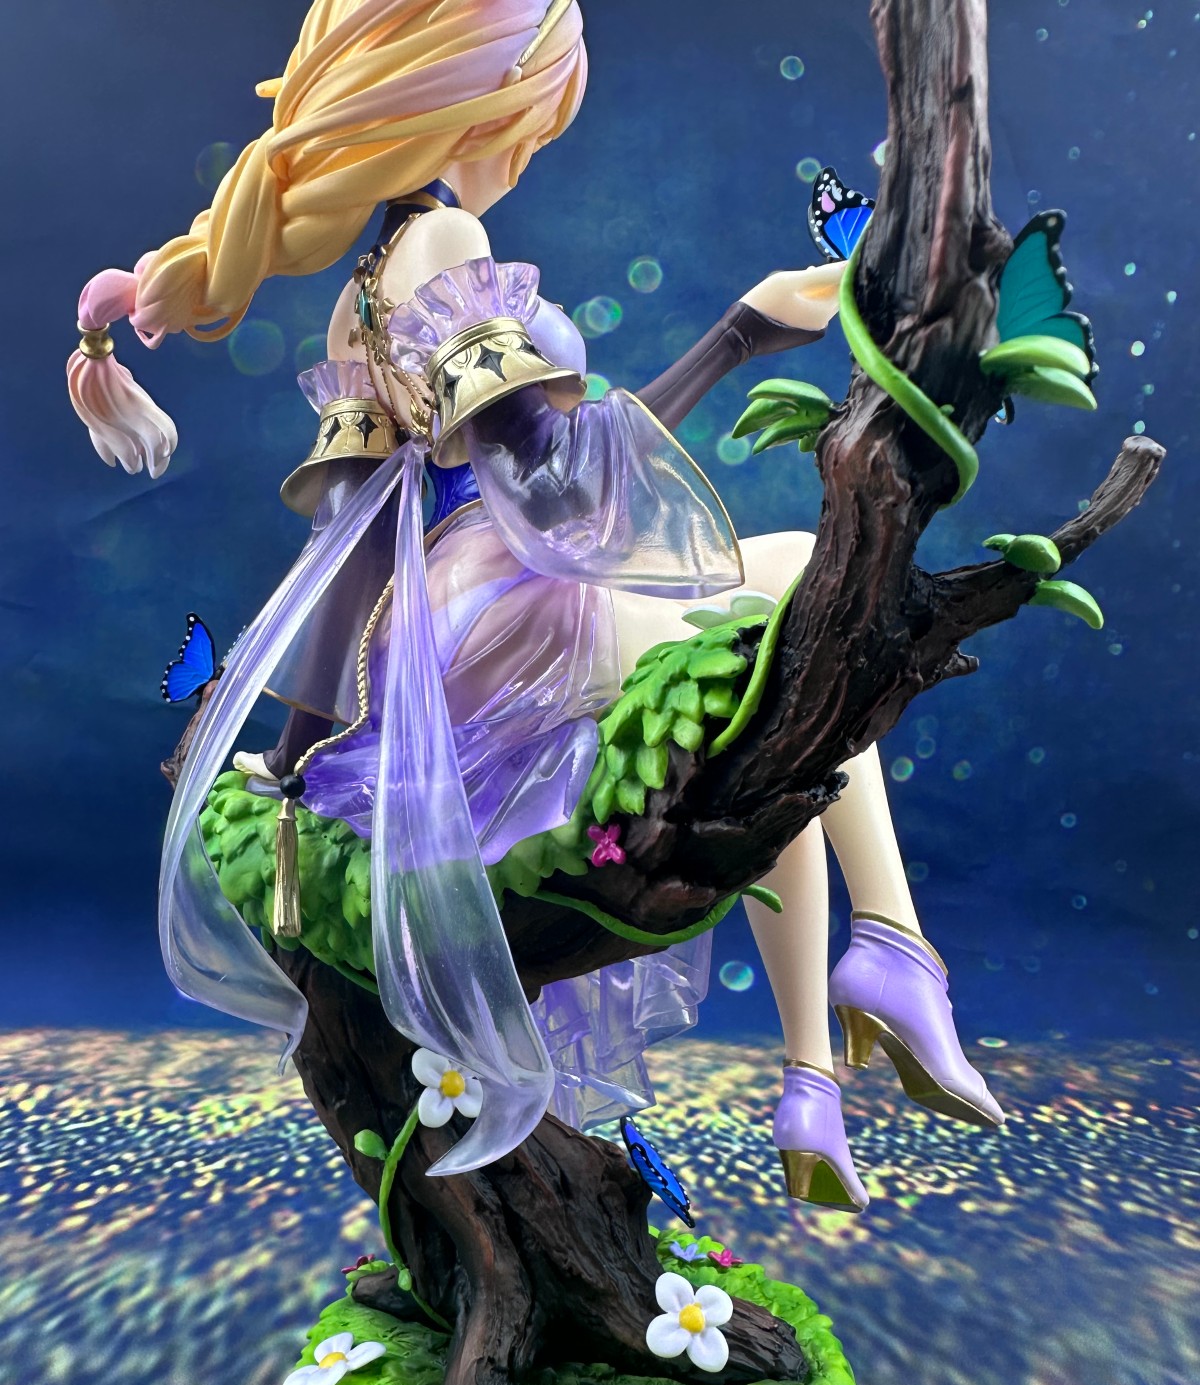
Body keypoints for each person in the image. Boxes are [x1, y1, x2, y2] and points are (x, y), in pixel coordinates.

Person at [67, 0, 1002, 1204]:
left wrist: (303, 749)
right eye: (537, 119)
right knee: (803, 600)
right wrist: (738, 336)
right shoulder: (449, 245)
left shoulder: (362, 296)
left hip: (430, 634)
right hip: (508, 615)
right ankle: (883, 961)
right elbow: (558, 489)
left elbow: (349, 544)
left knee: (777, 678)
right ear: (486, 108)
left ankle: (821, 1066)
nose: (533, 150)